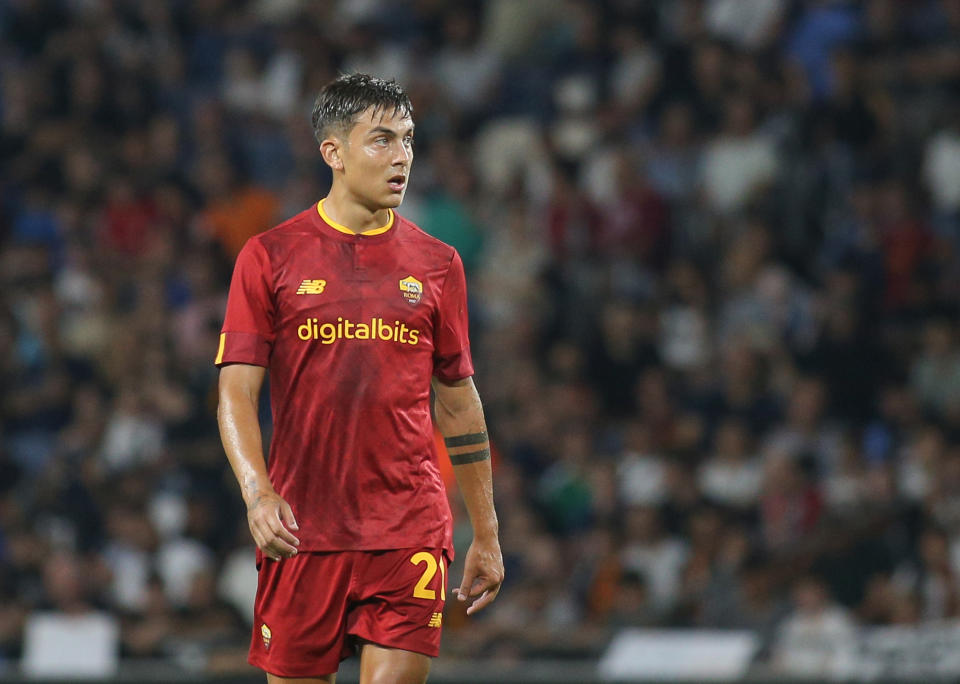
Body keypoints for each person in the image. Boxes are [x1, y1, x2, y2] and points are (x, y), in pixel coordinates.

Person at [215, 73, 503, 684]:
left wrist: (487, 530)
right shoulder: (270, 256)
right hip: (303, 529)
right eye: (381, 141)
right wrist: (257, 492)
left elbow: (457, 400)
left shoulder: (438, 265)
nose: (401, 156)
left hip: (409, 529)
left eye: (408, 140)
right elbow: (237, 391)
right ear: (334, 153)